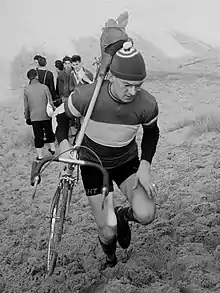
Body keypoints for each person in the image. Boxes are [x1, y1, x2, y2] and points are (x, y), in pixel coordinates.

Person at [62, 41, 160, 268]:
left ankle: (123, 214)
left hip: (126, 163)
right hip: (94, 166)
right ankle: (110, 257)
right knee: (108, 232)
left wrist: (145, 165)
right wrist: (63, 143)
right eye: (127, 85)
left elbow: (152, 134)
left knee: (146, 214)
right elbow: (62, 118)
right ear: (112, 76)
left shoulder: (146, 104)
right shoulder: (87, 97)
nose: (133, 91)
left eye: (138, 85)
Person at [24, 69, 56, 160]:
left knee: (38, 136)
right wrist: (53, 110)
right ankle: (53, 149)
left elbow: (26, 107)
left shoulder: (26, 90)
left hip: (34, 117)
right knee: (49, 131)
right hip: (46, 115)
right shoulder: (44, 87)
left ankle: (40, 155)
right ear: (37, 76)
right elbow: (50, 101)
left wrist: (27, 117)